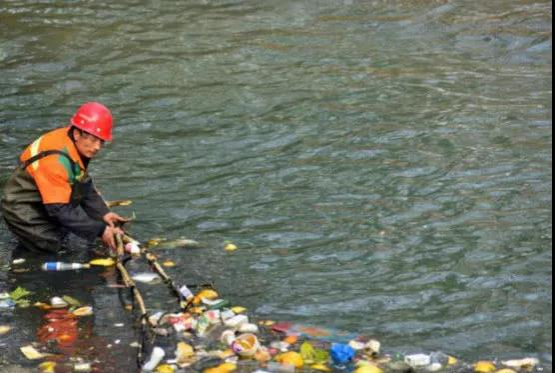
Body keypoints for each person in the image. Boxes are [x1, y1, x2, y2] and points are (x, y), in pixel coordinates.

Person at [1, 102, 127, 253]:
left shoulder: (72, 143)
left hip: (43, 200)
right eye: (93, 140)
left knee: (66, 234)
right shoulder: (55, 160)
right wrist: (101, 231)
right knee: (51, 247)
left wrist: (103, 214)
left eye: (101, 141)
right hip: (23, 209)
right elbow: (59, 210)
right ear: (77, 134)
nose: (97, 147)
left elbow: (82, 182)